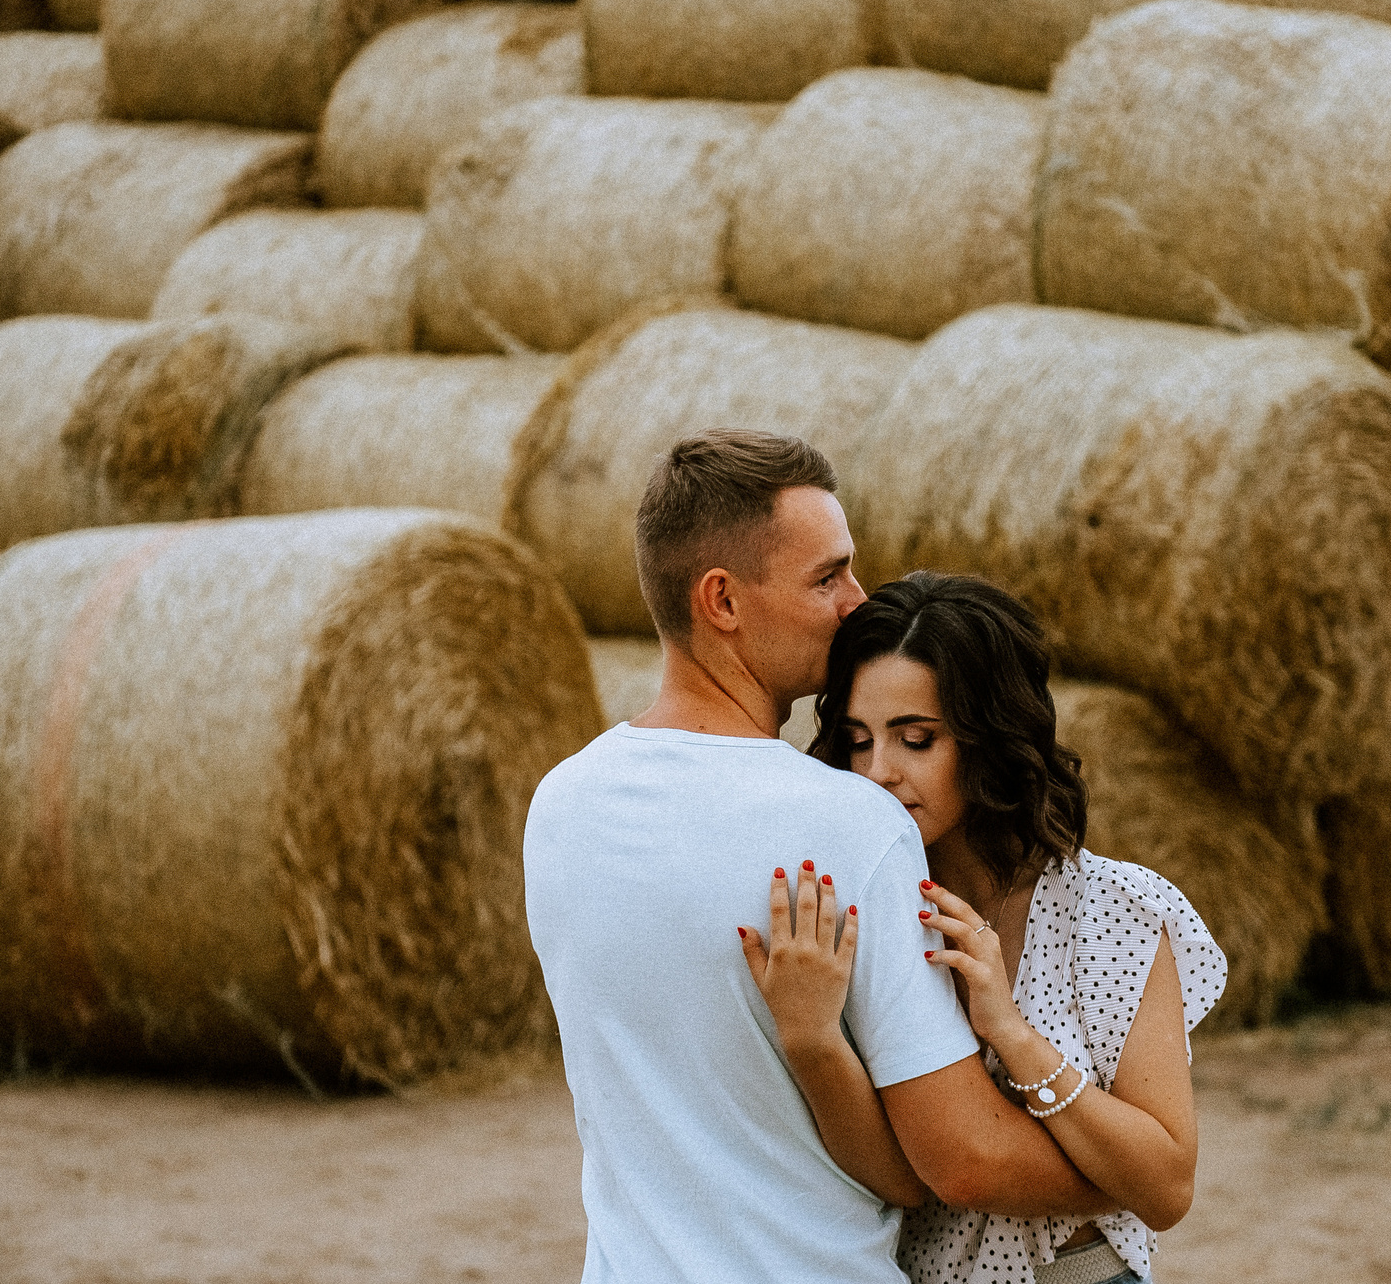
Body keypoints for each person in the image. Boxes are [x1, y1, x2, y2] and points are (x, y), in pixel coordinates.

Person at [524, 431, 1112, 1284]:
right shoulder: (848, 822)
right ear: (721, 599)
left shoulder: (559, 806)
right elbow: (959, 1160)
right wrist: (1139, 1183)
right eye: (826, 575)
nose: (856, 600)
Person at [748, 571, 1225, 1284]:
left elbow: (1167, 1182)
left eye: (916, 738)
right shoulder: (854, 917)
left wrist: (1012, 1034)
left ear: (988, 739)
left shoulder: (1113, 911)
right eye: (857, 739)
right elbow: (898, 1178)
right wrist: (813, 1040)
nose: (878, 771)